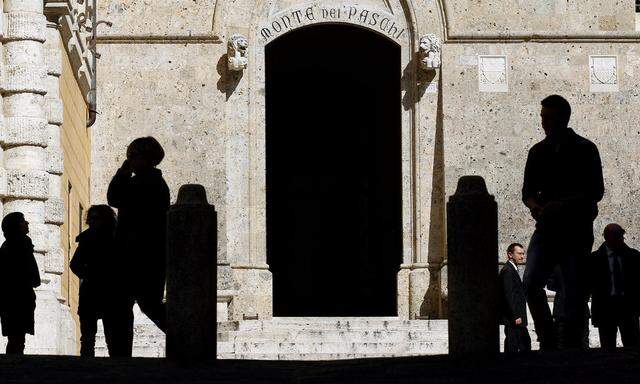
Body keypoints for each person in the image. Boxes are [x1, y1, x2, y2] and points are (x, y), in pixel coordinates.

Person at [522, 94, 604, 350]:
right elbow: (526, 193)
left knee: (574, 287)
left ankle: (572, 340)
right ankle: (548, 335)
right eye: (542, 117)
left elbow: (596, 191)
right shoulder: (537, 151)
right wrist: (535, 207)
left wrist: (564, 204)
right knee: (531, 282)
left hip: (575, 229)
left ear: (562, 118)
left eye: (547, 117)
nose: (543, 122)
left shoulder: (585, 148)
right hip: (546, 228)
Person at [107, 136, 170, 356]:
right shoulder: (151, 182)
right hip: (142, 254)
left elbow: (113, 197)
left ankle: (186, 336)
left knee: (140, 304)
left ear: (147, 157)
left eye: (132, 156)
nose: (129, 160)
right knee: (137, 304)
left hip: (139, 255)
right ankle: (185, 336)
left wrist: (123, 172)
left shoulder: (146, 183)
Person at [70, 205, 127, 357]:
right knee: (88, 338)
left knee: (112, 337)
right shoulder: (88, 238)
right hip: (92, 291)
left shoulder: (116, 238)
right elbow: (74, 264)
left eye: (96, 218)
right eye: (92, 218)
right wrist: (89, 275)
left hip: (110, 292)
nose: (93, 221)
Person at [589, 224, 640, 349]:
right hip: (606, 308)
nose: (620, 240)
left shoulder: (634, 257)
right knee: (607, 347)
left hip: (628, 307)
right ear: (607, 238)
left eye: (620, 237)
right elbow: (590, 287)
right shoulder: (595, 259)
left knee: (632, 346)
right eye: (616, 237)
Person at [0, 212, 41, 355]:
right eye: (23, 221)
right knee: (17, 337)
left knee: (16, 337)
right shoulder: (20, 244)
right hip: (17, 297)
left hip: (14, 297)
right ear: (16, 226)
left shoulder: (10, 245)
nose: (27, 223)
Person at [499, 243, 531, 353]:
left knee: (518, 344)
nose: (522, 256)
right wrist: (516, 315)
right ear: (510, 254)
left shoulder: (512, 269)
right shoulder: (508, 271)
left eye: (523, 254)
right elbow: (509, 296)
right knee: (517, 344)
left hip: (516, 318)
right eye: (519, 254)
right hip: (514, 319)